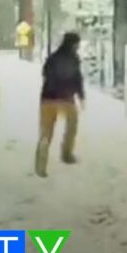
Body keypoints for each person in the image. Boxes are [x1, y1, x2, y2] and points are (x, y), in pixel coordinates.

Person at [35, 32, 85, 178]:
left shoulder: (53, 57)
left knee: (45, 133)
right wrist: (80, 95)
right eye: (77, 44)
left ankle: (40, 165)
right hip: (65, 99)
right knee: (72, 124)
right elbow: (77, 79)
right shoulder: (74, 59)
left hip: (47, 99)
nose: (78, 46)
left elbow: (45, 73)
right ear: (73, 44)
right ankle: (66, 153)